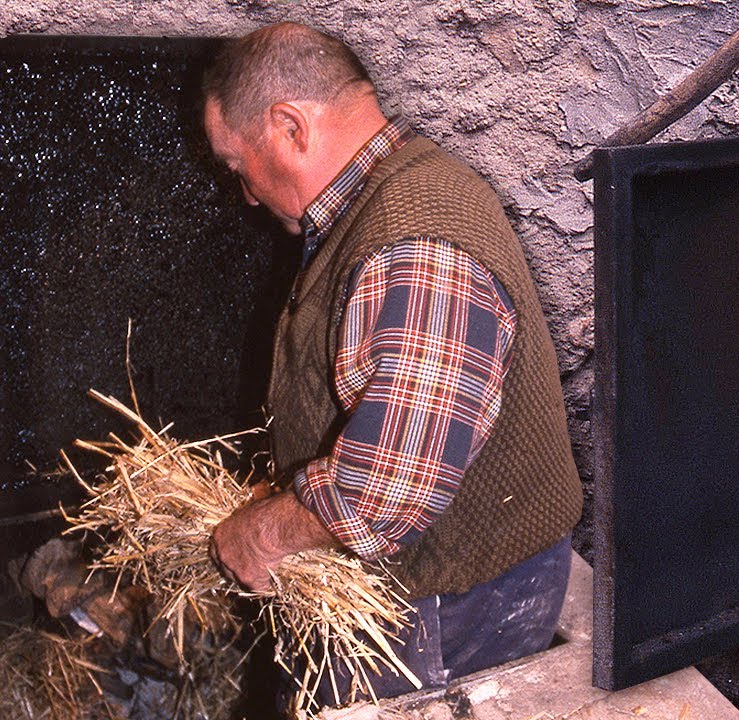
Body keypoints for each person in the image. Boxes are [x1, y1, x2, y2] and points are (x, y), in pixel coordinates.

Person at [202, 21, 583, 704]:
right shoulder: (390, 190)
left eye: (238, 165)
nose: (248, 193)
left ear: (291, 127)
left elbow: (381, 495)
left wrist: (262, 533)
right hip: (448, 575)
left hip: (449, 600)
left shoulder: (416, 240)